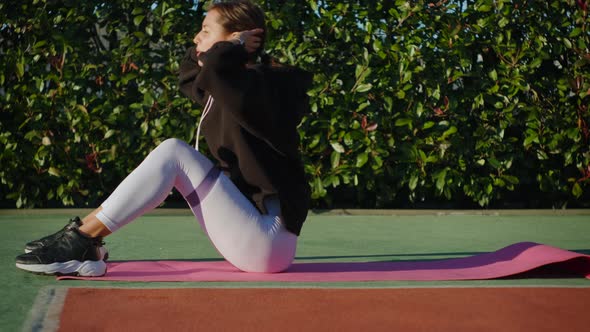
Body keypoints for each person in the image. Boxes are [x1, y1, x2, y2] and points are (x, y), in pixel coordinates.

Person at [15, 0, 312, 276]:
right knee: (175, 154)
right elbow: (188, 74)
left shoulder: (264, 87)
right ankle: (85, 238)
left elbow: (217, 70)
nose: (196, 38)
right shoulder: (227, 88)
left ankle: (81, 239)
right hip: (255, 234)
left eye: (206, 31)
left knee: (174, 153)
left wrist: (233, 46)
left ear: (239, 38)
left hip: (268, 238)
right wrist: (222, 45)